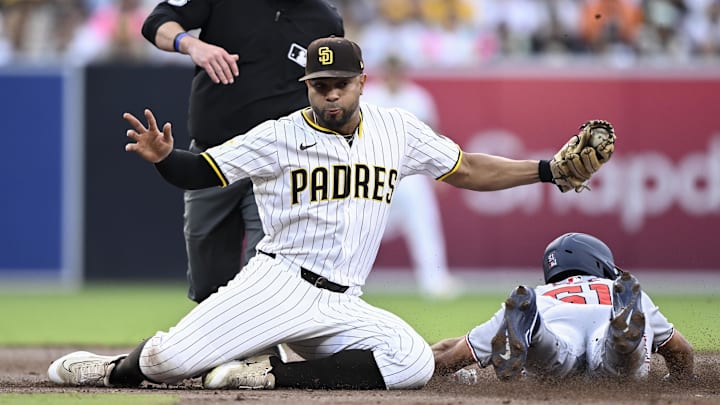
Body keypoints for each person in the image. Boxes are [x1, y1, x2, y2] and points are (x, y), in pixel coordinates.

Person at [47, 37, 609, 391]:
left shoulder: (396, 129)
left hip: (342, 300)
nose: (329, 97)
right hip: (276, 284)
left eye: (339, 85)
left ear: (362, 82)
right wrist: (167, 158)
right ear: (307, 88)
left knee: (412, 362)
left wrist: (546, 171)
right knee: (168, 361)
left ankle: (269, 375)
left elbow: (468, 169)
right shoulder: (277, 136)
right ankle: (111, 369)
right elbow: (200, 172)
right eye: (318, 87)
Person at [140, 0, 344, 303]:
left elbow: (334, 88)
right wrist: (191, 44)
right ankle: (216, 343)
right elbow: (156, 22)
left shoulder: (325, 19)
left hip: (278, 164)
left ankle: (261, 344)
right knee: (206, 271)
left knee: (266, 268)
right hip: (213, 154)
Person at [432, 232, 695, 383]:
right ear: (600, 264)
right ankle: (618, 338)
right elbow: (680, 350)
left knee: (553, 352)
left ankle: (534, 330)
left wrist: (427, 367)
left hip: (551, 322)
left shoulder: (539, 294)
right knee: (617, 360)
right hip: (608, 316)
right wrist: (679, 380)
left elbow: (456, 352)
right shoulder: (623, 292)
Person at [362, 54, 459, 298]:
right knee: (364, 224)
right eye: (390, 71)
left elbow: (433, 136)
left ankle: (434, 281)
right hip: (377, 170)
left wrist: (440, 172)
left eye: (398, 71)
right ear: (384, 72)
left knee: (424, 223)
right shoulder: (369, 95)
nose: (394, 76)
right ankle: (348, 279)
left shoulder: (417, 97)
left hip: (412, 172)